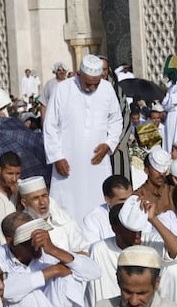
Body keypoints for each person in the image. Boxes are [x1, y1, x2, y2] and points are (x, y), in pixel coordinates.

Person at [0, 213, 101, 307]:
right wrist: (53, 271)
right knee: (25, 295)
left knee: (68, 278)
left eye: (36, 236)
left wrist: (53, 250)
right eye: (27, 240)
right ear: (11, 242)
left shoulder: (47, 249)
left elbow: (95, 272)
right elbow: (3, 291)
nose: (35, 244)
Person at [44, 55, 122, 223]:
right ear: (78, 74)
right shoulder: (62, 89)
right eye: (88, 83)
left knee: (98, 202)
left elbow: (116, 120)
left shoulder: (107, 89)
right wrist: (57, 157)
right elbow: (50, 125)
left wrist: (108, 144)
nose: (92, 87)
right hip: (68, 161)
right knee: (67, 207)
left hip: (97, 162)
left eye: (96, 83)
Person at [19, 175, 89, 254]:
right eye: (36, 198)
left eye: (44, 196)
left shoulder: (64, 221)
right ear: (24, 203)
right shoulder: (20, 227)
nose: (42, 202)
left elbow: (84, 252)